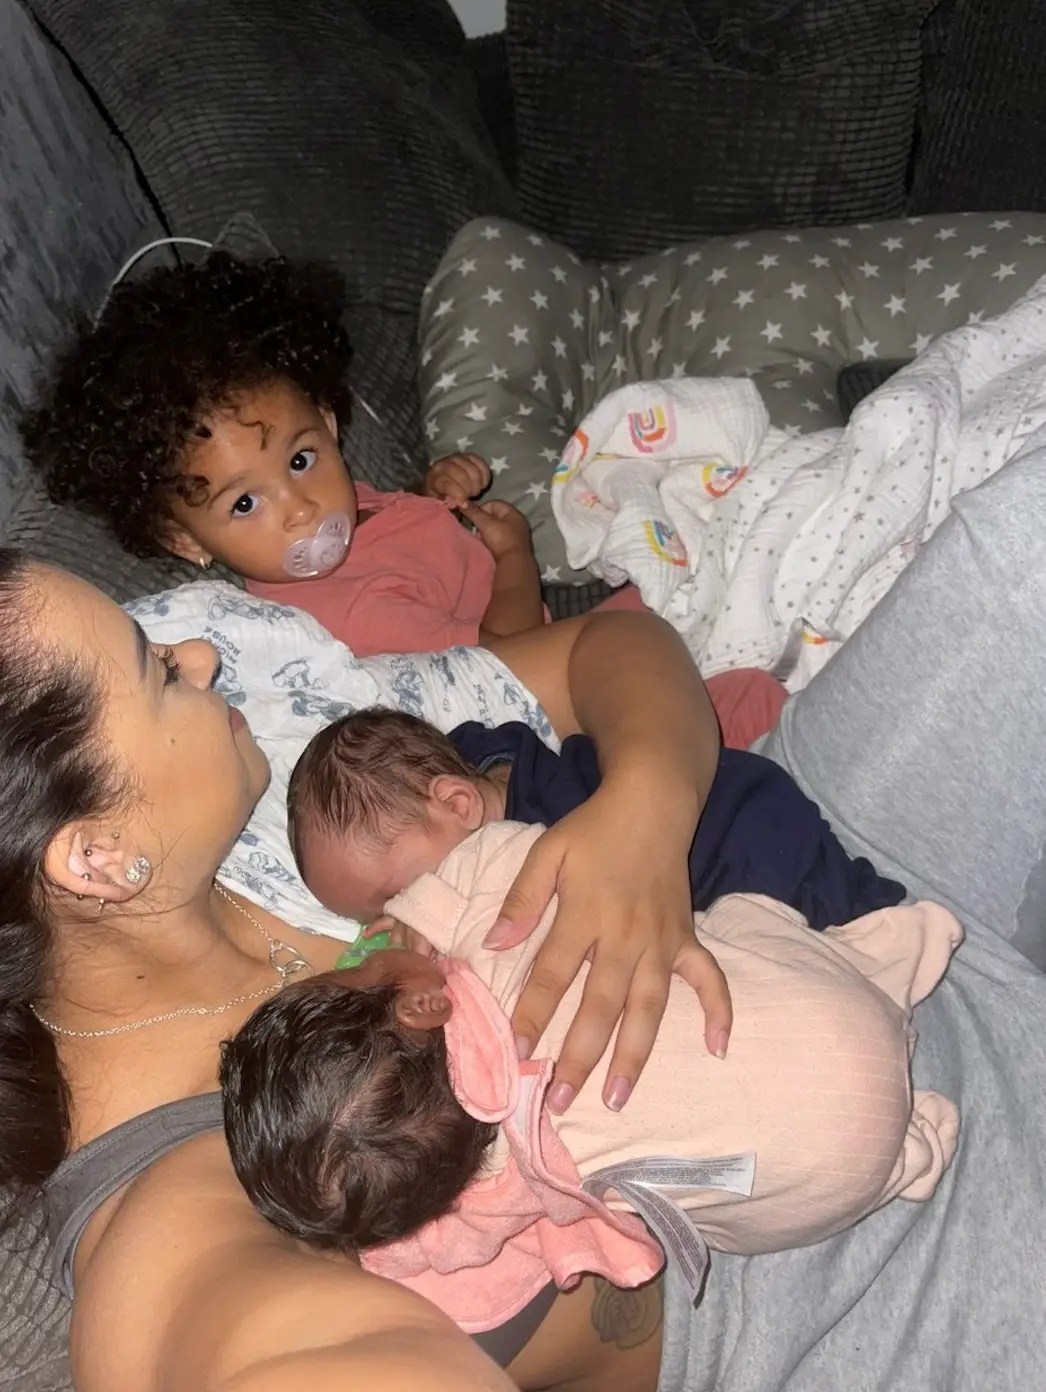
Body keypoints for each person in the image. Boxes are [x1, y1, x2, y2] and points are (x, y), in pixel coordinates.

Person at [0, 549, 731, 1392]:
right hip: (786, 1298)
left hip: (806, 887)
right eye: (158, 671)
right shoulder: (169, 1190)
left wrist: (646, 807)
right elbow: (243, 1342)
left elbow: (606, 648)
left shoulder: (283, 793)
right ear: (97, 856)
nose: (198, 654)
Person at [19, 252, 787, 748]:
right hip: (550, 720)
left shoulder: (347, 509)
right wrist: (513, 553)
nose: (300, 507)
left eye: (301, 459)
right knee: (745, 695)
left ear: (327, 421)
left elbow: (408, 542)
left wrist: (432, 495)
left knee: (736, 541)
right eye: (244, 506)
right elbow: (509, 662)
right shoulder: (341, 616)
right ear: (186, 541)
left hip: (578, 656)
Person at [219, 825, 959, 1336]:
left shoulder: (495, 1194)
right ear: (417, 1004)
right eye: (354, 970)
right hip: (837, 1010)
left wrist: (374, 1242)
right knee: (732, 923)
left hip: (841, 1173)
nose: (364, 951)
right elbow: (505, 850)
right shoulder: (494, 943)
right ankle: (887, 965)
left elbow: (429, 1265)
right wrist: (425, 914)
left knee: (704, 1199)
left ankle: (907, 1158)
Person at [284, 708, 905, 931]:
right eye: (373, 919)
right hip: (740, 809)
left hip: (741, 835)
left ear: (459, 803)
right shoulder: (478, 775)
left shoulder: (536, 835)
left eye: (395, 896)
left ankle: (876, 917)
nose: (396, 919)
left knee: (835, 925)